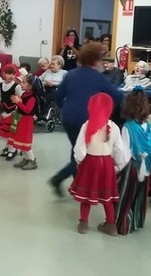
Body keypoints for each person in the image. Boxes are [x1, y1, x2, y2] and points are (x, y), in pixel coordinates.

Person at [49, 42, 123, 197]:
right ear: (96, 60)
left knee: (77, 148)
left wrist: (66, 108)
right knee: (85, 153)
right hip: (86, 120)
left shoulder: (71, 74)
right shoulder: (98, 78)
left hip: (68, 118)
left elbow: (58, 96)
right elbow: (117, 96)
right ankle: (60, 178)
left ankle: (77, 184)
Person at [69, 93, 129, 236]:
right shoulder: (114, 127)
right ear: (110, 109)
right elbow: (120, 150)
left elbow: (79, 148)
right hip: (107, 165)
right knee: (107, 197)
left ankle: (83, 223)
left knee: (86, 195)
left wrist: (79, 161)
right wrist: (118, 165)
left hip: (90, 163)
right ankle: (111, 225)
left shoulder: (87, 125)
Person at [116, 89, 151, 235]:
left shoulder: (128, 127)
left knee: (126, 197)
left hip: (131, 168)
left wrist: (117, 168)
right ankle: (137, 222)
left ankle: (123, 225)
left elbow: (125, 152)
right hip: (145, 167)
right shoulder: (148, 126)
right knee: (139, 196)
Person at [0, 64, 23, 161]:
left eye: (13, 74)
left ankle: (12, 149)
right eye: (9, 73)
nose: (11, 76)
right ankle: (8, 147)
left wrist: (17, 110)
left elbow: (20, 99)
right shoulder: (1, 84)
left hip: (13, 113)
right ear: (4, 74)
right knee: (7, 132)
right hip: (4, 112)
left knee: (12, 132)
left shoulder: (17, 87)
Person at [10, 74, 39, 170]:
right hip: (21, 120)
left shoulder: (32, 98)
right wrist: (17, 109)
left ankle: (32, 160)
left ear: (31, 86)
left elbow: (27, 110)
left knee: (26, 143)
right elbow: (22, 107)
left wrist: (18, 102)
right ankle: (26, 159)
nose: (21, 84)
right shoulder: (24, 94)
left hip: (27, 122)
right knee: (21, 141)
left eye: (23, 82)